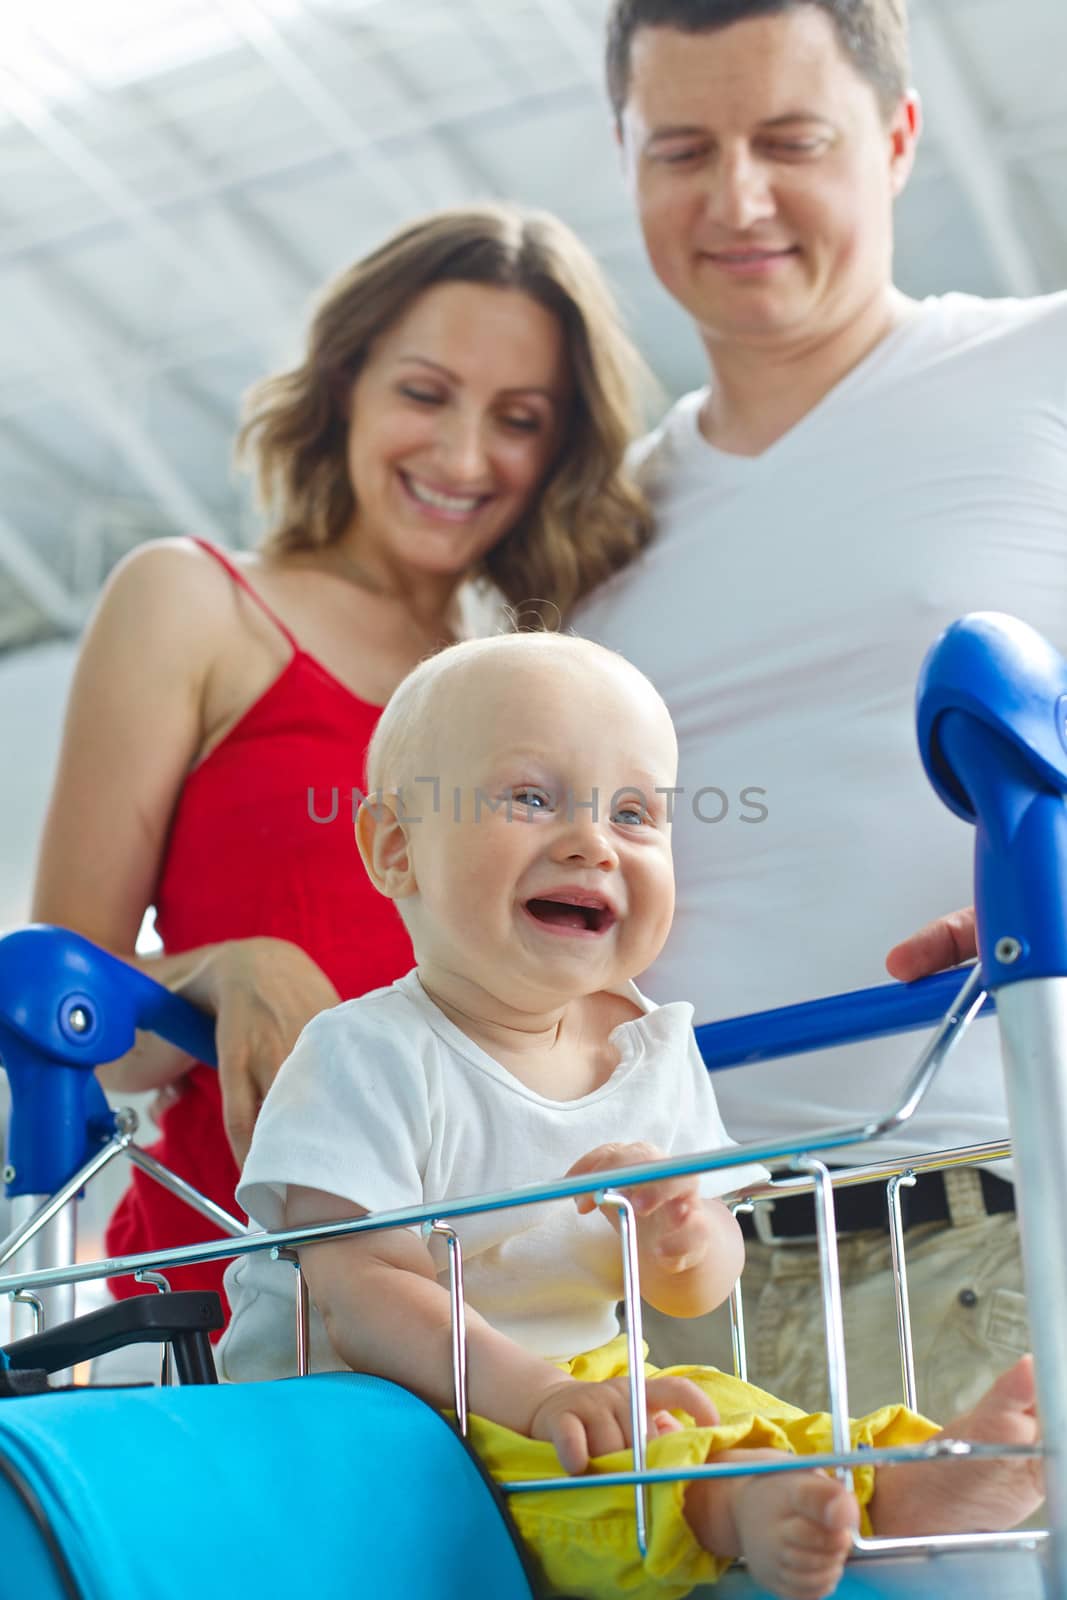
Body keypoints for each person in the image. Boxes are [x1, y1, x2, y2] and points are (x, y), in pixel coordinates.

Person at [218, 633, 1042, 1600]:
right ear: (396, 847)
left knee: (714, 1400)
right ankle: (729, 1509)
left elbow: (698, 1294)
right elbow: (360, 1292)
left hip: (574, 1375)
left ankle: (889, 1478)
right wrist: (535, 1395)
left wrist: (684, 1235)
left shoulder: (651, 1048)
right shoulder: (364, 1053)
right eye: (530, 798)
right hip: (367, 1417)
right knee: (577, 1454)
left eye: (635, 814)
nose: (590, 843)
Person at [571, 0, 1067, 1420]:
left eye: (790, 140)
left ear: (896, 137)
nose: (736, 199)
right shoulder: (588, 543)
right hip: (679, 1294)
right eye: (681, 149)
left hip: (1000, 1228)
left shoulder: (1038, 370)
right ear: (623, 158)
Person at [29, 204, 653, 1320]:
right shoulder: (193, 602)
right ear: (344, 385)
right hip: (228, 1305)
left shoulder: (527, 693)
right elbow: (65, 1012)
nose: (463, 455)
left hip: (489, 1332)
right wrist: (222, 968)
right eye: (424, 393)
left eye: (517, 418)